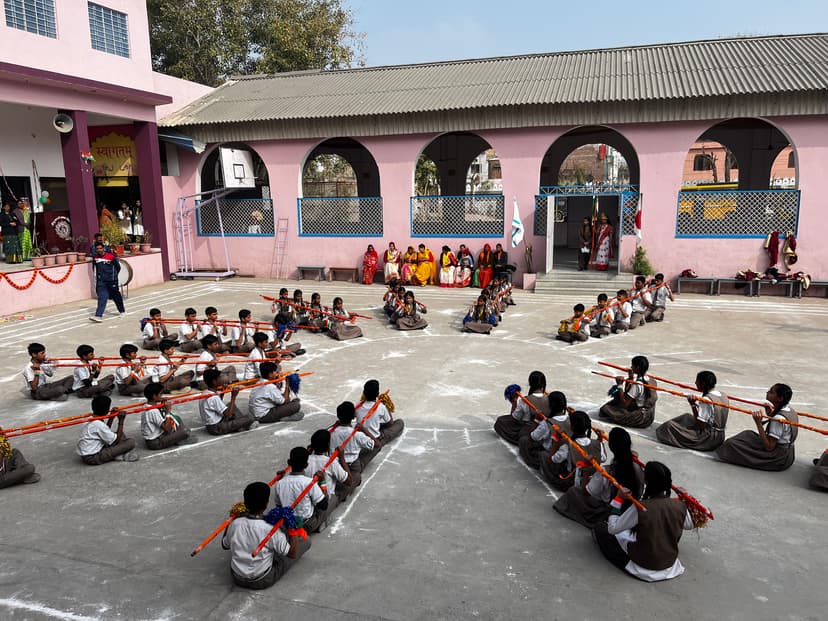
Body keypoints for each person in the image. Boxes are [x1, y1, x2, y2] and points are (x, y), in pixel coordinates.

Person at [593, 461, 694, 582]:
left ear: (647, 482)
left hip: (643, 565)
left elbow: (612, 529)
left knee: (601, 529)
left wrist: (618, 499)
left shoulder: (640, 507)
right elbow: (690, 525)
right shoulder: (680, 506)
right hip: (669, 564)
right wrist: (683, 500)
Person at [221, 481, 309, 590]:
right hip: (262, 579)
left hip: (236, 577)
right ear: (266, 503)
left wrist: (231, 519)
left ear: (245, 503)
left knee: (269, 544)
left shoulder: (235, 523)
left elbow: (225, 545)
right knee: (305, 542)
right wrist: (292, 528)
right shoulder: (270, 529)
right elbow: (292, 554)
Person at [554, 427, 644, 528]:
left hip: (608, 509)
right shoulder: (638, 467)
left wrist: (587, 470)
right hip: (630, 508)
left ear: (610, 446)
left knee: (573, 491)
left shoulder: (605, 471)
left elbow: (586, 492)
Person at [717, 383, 798, 471]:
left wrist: (759, 423)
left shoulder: (778, 419)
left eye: (771, 392)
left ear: (780, 398)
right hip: (788, 454)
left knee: (731, 444)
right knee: (748, 434)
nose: (767, 393)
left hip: (778, 458)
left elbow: (769, 447)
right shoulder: (790, 411)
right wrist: (771, 414)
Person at [656, 371, 730, 451]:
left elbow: (700, 426)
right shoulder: (723, 395)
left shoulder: (706, 400)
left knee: (669, 426)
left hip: (708, 439)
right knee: (686, 417)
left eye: (697, 381)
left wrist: (693, 405)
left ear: (703, 383)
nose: (695, 383)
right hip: (720, 436)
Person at [540, 410, 603, 491]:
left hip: (570, 482)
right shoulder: (598, 444)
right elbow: (602, 458)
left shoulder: (567, 446)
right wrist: (599, 440)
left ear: (572, 427)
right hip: (591, 482)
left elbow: (553, 459)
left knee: (543, 455)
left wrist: (556, 440)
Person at [275, 447, 331, 534]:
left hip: (288, 523)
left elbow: (279, 506)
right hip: (307, 525)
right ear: (306, 465)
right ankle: (319, 524)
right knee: (328, 501)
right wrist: (322, 482)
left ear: (289, 462)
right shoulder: (309, 483)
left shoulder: (279, 483)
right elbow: (324, 505)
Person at [599, 355, 658, 428]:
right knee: (614, 403)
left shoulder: (637, 385)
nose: (631, 367)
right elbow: (630, 393)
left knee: (606, 409)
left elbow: (625, 404)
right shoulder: (652, 380)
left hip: (640, 418)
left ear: (637, 368)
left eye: (632, 366)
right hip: (649, 415)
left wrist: (620, 385)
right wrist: (631, 378)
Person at [77, 395, 138, 464]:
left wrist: (112, 417)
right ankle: (119, 454)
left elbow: (105, 430)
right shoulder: (97, 424)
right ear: (106, 410)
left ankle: (118, 453)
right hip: (93, 457)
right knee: (131, 442)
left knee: (121, 434)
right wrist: (121, 420)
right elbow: (116, 440)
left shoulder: (91, 418)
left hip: (88, 453)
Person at [494, 371, 549, 445]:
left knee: (500, 421)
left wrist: (514, 402)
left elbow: (514, 418)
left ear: (530, 383)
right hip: (545, 430)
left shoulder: (525, 401)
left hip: (529, 430)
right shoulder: (550, 399)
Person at [518, 391, 569, 469]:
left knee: (524, 440)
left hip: (552, 454)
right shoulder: (571, 420)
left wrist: (537, 420)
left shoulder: (547, 423)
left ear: (550, 405)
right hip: (567, 455)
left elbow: (532, 437)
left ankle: (537, 464)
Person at [307, 428, 359, 503]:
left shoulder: (305, 460)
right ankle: (338, 498)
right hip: (325, 498)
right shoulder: (331, 462)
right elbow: (349, 481)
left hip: (310, 496)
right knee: (356, 477)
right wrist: (342, 458)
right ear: (328, 445)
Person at [198, 369, 257, 435]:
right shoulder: (213, 397)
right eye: (219, 377)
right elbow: (229, 415)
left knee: (231, 406)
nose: (221, 379)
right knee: (250, 418)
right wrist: (233, 396)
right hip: (217, 427)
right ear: (214, 381)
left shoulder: (205, 393)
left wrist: (223, 392)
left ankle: (240, 424)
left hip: (212, 425)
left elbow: (215, 405)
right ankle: (242, 425)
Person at [329, 401, 380, 474]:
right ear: (353, 416)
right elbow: (377, 444)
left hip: (336, 465)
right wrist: (364, 429)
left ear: (338, 416)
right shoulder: (357, 435)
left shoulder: (330, 432)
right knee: (374, 446)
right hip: (352, 465)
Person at [140, 382, 194, 449]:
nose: (162, 396)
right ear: (154, 396)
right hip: (156, 442)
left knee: (177, 418)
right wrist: (168, 411)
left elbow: (159, 414)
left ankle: (178, 437)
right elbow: (167, 429)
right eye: (160, 394)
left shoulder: (147, 405)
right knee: (185, 432)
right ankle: (179, 439)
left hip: (154, 437)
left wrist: (161, 403)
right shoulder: (152, 411)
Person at [89, 242, 125, 322]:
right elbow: (94, 269)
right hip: (101, 282)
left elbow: (117, 267)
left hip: (112, 281)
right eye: (97, 249)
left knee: (116, 296)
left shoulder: (111, 256)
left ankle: (122, 311)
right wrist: (98, 279)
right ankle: (98, 316)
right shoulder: (95, 258)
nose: (99, 250)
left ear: (103, 248)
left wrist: (113, 276)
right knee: (102, 297)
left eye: (100, 248)